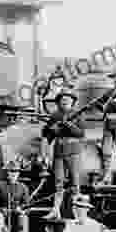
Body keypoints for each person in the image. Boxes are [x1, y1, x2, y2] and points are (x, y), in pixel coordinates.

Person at [41, 88, 85, 220]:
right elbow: (46, 136)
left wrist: (69, 125)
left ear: (72, 101)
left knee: (75, 184)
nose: (65, 101)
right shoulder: (54, 116)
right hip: (59, 152)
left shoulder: (78, 114)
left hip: (74, 152)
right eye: (63, 99)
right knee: (58, 183)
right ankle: (55, 210)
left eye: (68, 99)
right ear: (59, 102)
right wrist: (52, 130)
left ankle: (77, 212)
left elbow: (81, 134)